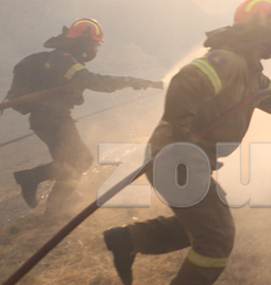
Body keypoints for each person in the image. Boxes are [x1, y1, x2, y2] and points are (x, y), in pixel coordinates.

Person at [102, 0, 271, 285]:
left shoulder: (250, 72)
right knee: (217, 237)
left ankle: (128, 239)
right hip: (176, 158)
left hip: (181, 159)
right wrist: (181, 140)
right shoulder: (230, 62)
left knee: (202, 225)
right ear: (261, 30)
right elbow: (186, 80)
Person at [9, 18, 159, 214]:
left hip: (51, 118)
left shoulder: (62, 57)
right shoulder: (64, 59)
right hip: (51, 119)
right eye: (93, 44)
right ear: (82, 42)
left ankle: (53, 212)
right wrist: (129, 81)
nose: (95, 49)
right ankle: (30, 179)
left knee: (72, 164)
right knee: (80, 161)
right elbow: (94, 81)